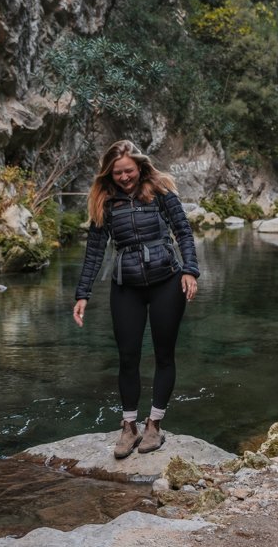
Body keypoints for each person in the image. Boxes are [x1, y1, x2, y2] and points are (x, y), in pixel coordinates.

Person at [73, 140, 199, 459]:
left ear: (140, 167)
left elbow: (183, 231)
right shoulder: (104, 201)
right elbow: (94, 252)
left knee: (163, 354)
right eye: (118, 173)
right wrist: (82, 294)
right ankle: (128, 427)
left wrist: (190, 271)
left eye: (129, 170)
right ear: (108, 173)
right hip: (125, 284)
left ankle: (154, 425)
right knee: (128, 356)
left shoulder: (159, 190)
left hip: (167, 280)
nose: (125, 177)